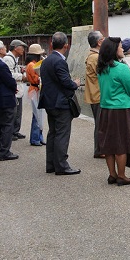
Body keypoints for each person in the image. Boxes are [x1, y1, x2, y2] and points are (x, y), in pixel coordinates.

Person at [96, 37, 130, 186]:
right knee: (121, 142)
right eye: (120, 47)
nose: (122, 49)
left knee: (108, 143)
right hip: (121, 109)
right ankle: (122, 175)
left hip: (105, 108)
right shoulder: (121, 69)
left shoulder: (101, 68)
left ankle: (112, 174)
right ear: (114, 50)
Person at [39, 31, 81, 176]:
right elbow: (65, 82)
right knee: (62, 134)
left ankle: (51, 164)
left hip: (49, 101)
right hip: (60, 102)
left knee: (53, 133)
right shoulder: (60, 61)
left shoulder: (47, 60)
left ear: (51, 44)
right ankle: (62, 165)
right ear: (66, 45)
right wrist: (75, 83)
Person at [0, 40, 19, 161]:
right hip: (5, 99)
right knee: (7, 125)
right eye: (3, 47)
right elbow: (10, 80)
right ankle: (4, 151)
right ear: (0, 50)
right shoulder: (1, 65)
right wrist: (14, 87)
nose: (5, 48)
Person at [84, 30, 104, 159]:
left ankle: (101, 148)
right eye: (103, 38)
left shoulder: (93, 56)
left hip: (95, 94)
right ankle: (99, 149)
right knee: (101, 123)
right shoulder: (95, 57)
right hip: (98, 94)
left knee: (101, 123)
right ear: (99, 42)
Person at [3, 39, 27, 140]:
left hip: (18, 91)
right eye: (22, 48)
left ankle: (15, 131)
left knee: (18, 113)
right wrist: (22, 76)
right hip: (14, 91)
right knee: (14, 114)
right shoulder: (8, 59)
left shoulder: (14, 58)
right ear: (16, 48)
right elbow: (9, 74)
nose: (23, 50)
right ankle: (12, 133)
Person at [24, 44, 46, 146]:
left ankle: (38, 137)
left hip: (34, 90)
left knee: (38, 115)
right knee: (37, 115)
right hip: (35, 90)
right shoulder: (32, 65)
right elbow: (36, 79)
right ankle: (35, 138)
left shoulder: (31, 64)